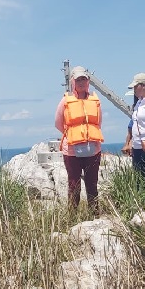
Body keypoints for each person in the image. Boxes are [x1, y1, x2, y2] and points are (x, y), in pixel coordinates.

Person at [54, 66, 104, 213]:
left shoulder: (95, 100)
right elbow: (58, 123)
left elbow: (98, 123)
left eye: (84, 79)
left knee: (92, 184)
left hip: (93, 149)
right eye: (78, 79)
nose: (81, 82)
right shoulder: (65, 101)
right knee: (74, 184)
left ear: (88, 81)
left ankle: (94, 214)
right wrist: (72, 134)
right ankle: (72, 216)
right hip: (71, 151)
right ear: (73, 82)